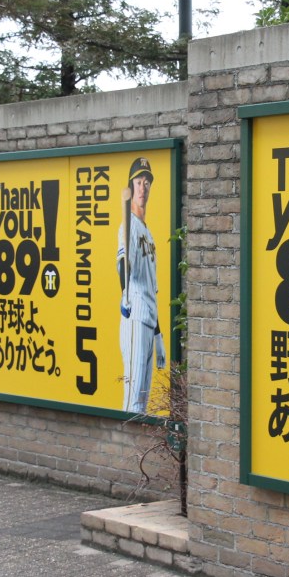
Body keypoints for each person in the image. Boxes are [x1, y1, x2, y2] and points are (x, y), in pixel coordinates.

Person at [118, 157, 166, 413]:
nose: (143, 187)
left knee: (142, 405)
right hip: (135, 317)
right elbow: (123, 264)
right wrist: (124, 292)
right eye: (138, 181)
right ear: (131, 185)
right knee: (133, 401)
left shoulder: (149, 234)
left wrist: (158, 334)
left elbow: (151, 289)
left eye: (147, 182)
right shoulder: (128, 226)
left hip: (148, 321)